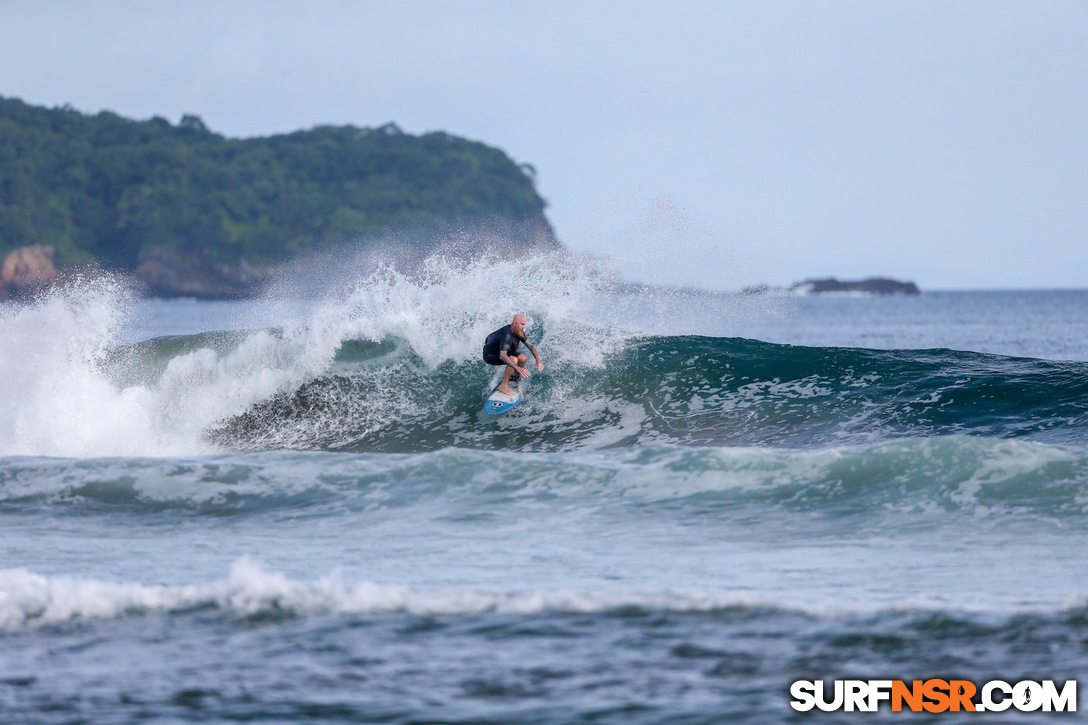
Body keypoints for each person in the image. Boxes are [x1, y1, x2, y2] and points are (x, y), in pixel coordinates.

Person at [482, 314, 543, 395]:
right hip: (490, 355)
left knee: (523, 358)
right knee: (514, 360)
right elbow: (502, 356)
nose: (523, 327)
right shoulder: (507, 334)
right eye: (521, 324)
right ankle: (503, 386)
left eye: (524, 324)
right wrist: (517, 368)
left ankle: (514, 378)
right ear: (514, 323)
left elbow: (531, 346)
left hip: (504, 351)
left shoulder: (518, 332)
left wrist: (538, 361)